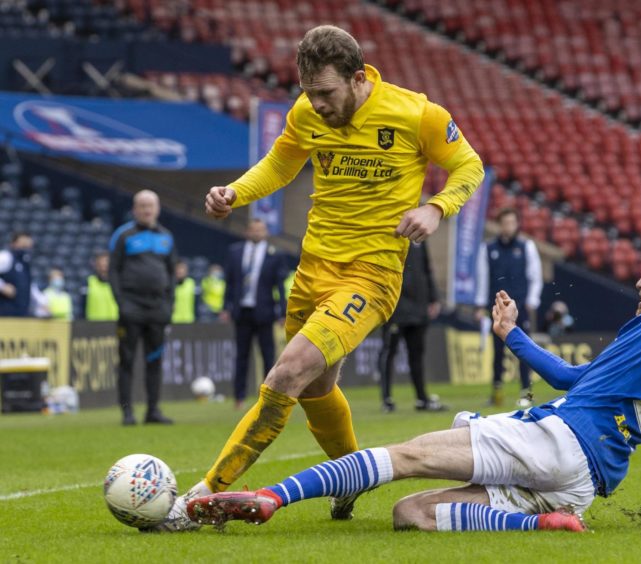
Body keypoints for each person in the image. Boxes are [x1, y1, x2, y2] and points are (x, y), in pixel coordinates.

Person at [185, 170, 641, 533]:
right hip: (581, 483)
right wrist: (512, 337)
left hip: (561, 443)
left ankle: (268, 497)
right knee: (409, 513)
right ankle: (540, 523)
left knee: (407, 454)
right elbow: (573, 380)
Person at [151, 24, 484, 532]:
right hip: (312, 270)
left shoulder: (417, 113)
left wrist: (437, 208)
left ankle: (203, 497)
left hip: (370, 275)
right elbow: (279, 165)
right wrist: (234, 193)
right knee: (314, 388)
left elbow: (469, 165)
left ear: (356, 78)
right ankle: (351, 478)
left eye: (326, 93)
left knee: (286, 374)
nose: (318, 105)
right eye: (310, 94)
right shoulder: (307, 112)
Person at [109, 190, 176, 426]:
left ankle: (153, 411)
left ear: (157, 209)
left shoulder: (167, 237)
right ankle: (127, 413)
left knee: (154, 362)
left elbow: (171, 274)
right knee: (126, 361)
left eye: (150, 206)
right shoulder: (123, 235)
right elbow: (113, 271)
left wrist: (169, 307)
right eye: (142, 206)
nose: (147, 210)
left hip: (157, 309)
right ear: (135, 209)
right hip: (131, 308)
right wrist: (121, 303)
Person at [474, 208, 542, 408]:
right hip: (497, 307)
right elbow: (482, 278)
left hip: (519, 305)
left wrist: (532, 300)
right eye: (505, 223)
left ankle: (526, 393)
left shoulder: (526, 247)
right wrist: (480, 305)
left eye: (512, 222)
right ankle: (496, 392)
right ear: (499, 224)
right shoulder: (488, 249)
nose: (508, 227)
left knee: (524, 349)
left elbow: (535, 276)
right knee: (497, 351)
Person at [223, 219, 289, 410]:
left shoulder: (275, 254)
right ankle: (239, 397)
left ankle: (269, 396)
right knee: (241, 355)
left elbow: (280, 286)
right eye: (253, 229)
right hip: (241, 310)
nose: (256, 233)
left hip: (264, 311)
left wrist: (282, 312)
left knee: (267, 354)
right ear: (247, 231)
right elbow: (230, 282)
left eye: (260, 230)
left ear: (266, 232)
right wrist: (226, 307)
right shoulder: (235, 252)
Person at [378, 240, 444, 413]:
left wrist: (433, 297)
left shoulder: (418, 236)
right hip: (396, 306)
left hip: (418, 306)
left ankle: (422, 398)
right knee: (388, 352)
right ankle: (387, 399)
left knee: (417, 355)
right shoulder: (389, 228)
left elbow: (426, 267)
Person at [0, 231, 34, 318]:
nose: (25, 247)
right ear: (14, 243)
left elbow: (30, 286)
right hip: (4, 313)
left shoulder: (25, 262)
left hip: (21, 313)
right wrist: (3, 286)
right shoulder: (6, 256)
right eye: (22, 244)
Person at [82, 251, 119, 321]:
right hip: (93, 327)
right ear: (96, 265)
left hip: (114, 325)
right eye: (100, 265)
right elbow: (82, 306)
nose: (103, 268)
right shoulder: (88, 282)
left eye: (106, 265)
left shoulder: (118, 283)